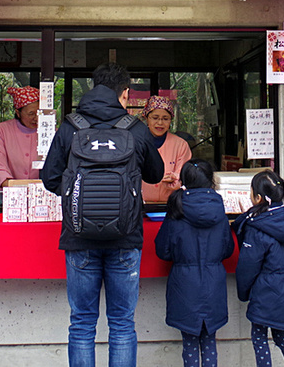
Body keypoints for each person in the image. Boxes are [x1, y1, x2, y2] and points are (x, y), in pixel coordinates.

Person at [41, 63, 164, 367]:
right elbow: (156, 174)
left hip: (79, 237)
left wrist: (76, 195)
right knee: (122, 324)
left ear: (92, 88)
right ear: (124, 93)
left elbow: (50, 177)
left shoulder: (72, 126)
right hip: (125, 237)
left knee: (82, 323)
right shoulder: (134, 128)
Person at [154, 159, 234, 367]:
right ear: (211, 181)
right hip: (213, 283)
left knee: (189, 344)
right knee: (209, 342)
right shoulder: (220, 211)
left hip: (184, 286)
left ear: (184, 181)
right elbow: (228, 249)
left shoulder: (176, 211)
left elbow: (163, 250)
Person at [233, 170, 284, 367]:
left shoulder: (258, 226)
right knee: (281, 336)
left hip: (267, 290)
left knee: (259, 336)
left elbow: (248, 266)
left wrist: (243, 293)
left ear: (258, 197)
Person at [140, 95, 193, 204]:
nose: (160, 123)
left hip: (172, 205)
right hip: (141, 204)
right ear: (146, 118)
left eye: (165, 119)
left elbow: (184, 176)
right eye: (155, 118)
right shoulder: (137, 142)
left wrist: (175, 179)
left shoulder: (181, 145)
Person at [0, 85, 41, 190]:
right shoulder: (2, 130)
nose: (36, 118)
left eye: (39, 112)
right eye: (31, 114)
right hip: (8, 193)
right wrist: (10, 185)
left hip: (40, 194)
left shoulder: (50, 131)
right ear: (18, 113)